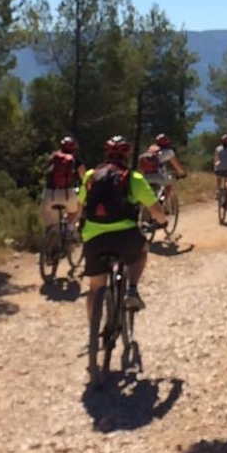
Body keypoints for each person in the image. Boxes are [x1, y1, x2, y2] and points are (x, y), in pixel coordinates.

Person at [79, 135, 167, 318]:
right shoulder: (134, 178)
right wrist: (162, 222)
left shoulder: (90, 175)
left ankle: (94, 336)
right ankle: (132, 289)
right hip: (125, 237)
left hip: (94, 239)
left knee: (95, 287)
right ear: (127, 155)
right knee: (142, 249)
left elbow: (80, 207)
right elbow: (155, 209)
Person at [39, 136, 86, 230]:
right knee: (75, 212)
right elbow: (84, 178)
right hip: (67, 194)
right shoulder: (76, 161)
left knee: (48, 223)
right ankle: (69, 231)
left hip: (49, 193)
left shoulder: (53, 158)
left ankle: (49, 239)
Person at [138, 133, 187, 200]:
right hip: (158, 176)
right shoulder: (169, 152)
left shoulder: (150, 150)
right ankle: (162, 201)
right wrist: (182, 173)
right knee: (168, 185)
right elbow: (177, 165)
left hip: (145, 177)